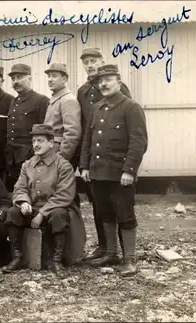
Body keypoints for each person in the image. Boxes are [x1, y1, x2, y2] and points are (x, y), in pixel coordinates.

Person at [79, 64, 148, 277]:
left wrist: (129, 170)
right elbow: (88, 140)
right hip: (98, 173)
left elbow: (139, 142)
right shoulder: (97, 108)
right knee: (105, 213)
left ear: (119, 82)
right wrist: (84, 166)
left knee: (125, 215)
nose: (104, 84)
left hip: (120, 175)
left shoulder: (131, 107)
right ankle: (111, 253)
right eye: (101, 81)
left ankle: (130, 260)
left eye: (108, 79)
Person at [3, 124, 86, 275]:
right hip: (33, 209)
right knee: (12, 213)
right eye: (34, 141)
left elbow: (64, 195)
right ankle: (18, 257)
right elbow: (20, 188)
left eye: (40, 140)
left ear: (51, 142)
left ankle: (57, 260)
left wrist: (42, 214)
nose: (36, 145)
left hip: (56, 209)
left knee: (59, 215)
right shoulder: (27, 165)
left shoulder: (63, 165)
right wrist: (24, 202)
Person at [76, 47, 132, 261]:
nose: (90, 65)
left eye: (93, 60)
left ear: (102, 60)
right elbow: (85, 128)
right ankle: (105, 248)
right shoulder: (83, 91)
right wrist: (84, 162)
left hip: (115, 160)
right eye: (86, 62)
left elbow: (126, 123)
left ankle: (124, 253)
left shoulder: (119, 89)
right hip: (94, 160)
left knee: (119, 206)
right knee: (99, 205)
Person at [5, 64, 49, 192]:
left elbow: (45, 131)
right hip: (12, 156)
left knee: (32, 189)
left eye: (19, 77)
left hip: (29, 155)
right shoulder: (14, 101)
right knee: (18, 190)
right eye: (13, 79)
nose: (16, 81)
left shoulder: (41, 100)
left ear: (29, 79)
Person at [43, 63, 82, 173]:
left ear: (64, 79)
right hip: (51, 153)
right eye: (49, 76)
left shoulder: (68, 100)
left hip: (58, 156)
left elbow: (72, 133)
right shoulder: (56, 99)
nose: (50, 80)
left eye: (54, 76)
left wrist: (61, 159)